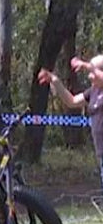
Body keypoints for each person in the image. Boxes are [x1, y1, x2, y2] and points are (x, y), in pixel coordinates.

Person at [37, 54, 103, 193]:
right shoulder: (93, 92)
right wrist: (55, 81)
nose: (90, 76)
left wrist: (86, 65)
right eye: (89, 73)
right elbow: (71, 101)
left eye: (94, 72)